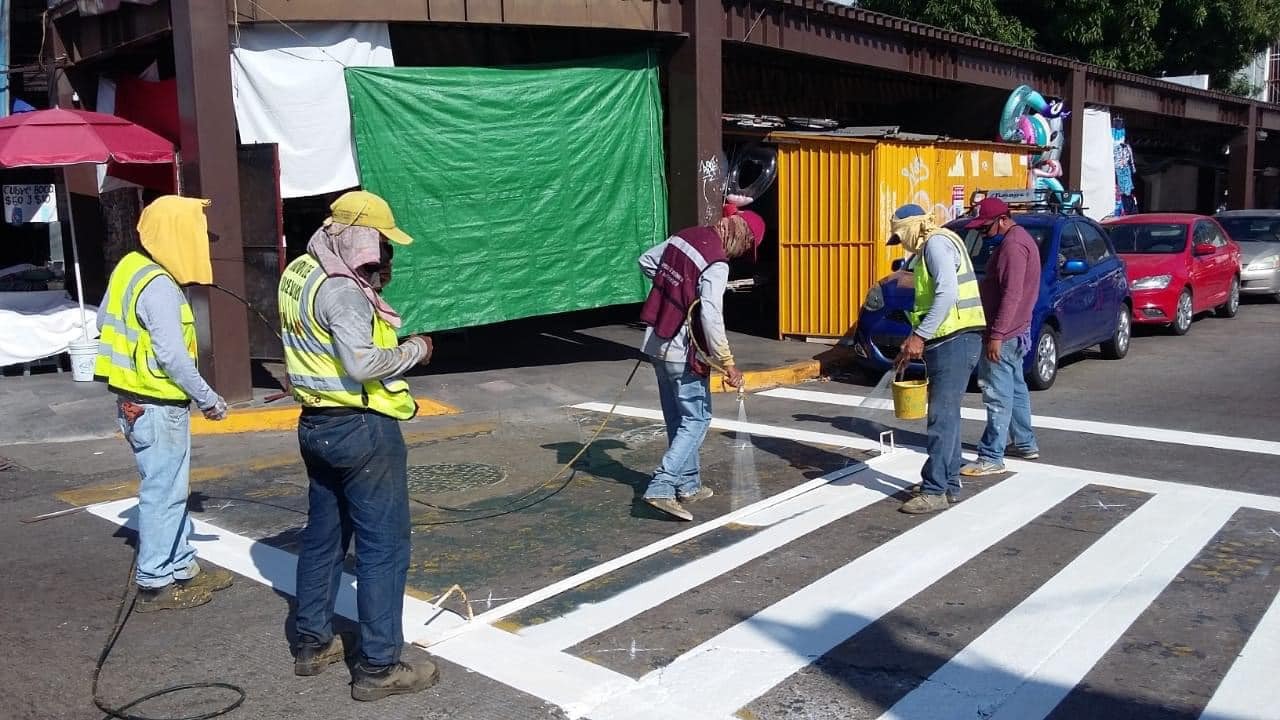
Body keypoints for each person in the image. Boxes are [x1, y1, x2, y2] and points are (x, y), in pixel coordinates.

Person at [278, 190, 438, 701]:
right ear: (360, 239)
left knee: (324, 537)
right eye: (379, 246)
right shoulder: (342, 292)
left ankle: (311, 643)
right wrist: (416, 349)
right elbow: (363, 364)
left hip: (315, 425)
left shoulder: (299, 270)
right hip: (360, 428)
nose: (384, 258)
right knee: (383, 549)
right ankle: (378, 666)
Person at [94, 195, 232, 611]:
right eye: (196, 236)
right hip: (157, 406)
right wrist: (208, 399)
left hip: (134, 403)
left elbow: (103, 320)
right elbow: (173, 357)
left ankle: (182, 565)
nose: (202, 245)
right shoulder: (159, 286)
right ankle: (156, 582)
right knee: (164, 493)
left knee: (170, 488)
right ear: (176, 236)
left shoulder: (130, 269)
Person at [636, 203, 765, 521]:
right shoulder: (716, 263)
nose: (741, 254)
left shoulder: (684, 237)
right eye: (747, 247)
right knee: (697, 420)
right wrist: (727, 362)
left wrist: (675, 289)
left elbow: (647, 261)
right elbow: (711, 316)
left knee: (677, 419)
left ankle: (688, 484)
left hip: (656, 344)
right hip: (683, 351)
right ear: (742, 236)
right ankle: (663, 485)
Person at [888, 204, 986, 514]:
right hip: (957, 338)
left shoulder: (935, 245)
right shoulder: (943, 240)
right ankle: (950, 481)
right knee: (949, 415)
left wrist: (919, 335)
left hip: (953, 339)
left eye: (900, 237)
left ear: (911, 229)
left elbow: (947, 292)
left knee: (941, 417)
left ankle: (935, 490)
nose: (902, 244)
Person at [962, 197, 1041, 477]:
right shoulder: (1018, 240)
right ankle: (1024, 442)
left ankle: (991, 455)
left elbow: (1013, 294)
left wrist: (996, 334)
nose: (983, 233)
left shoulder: (1012, 246)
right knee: (1016, 387)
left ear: (1003, 220)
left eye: (986, 227)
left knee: (996, 394)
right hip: (1015, 331)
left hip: (1004, 334)